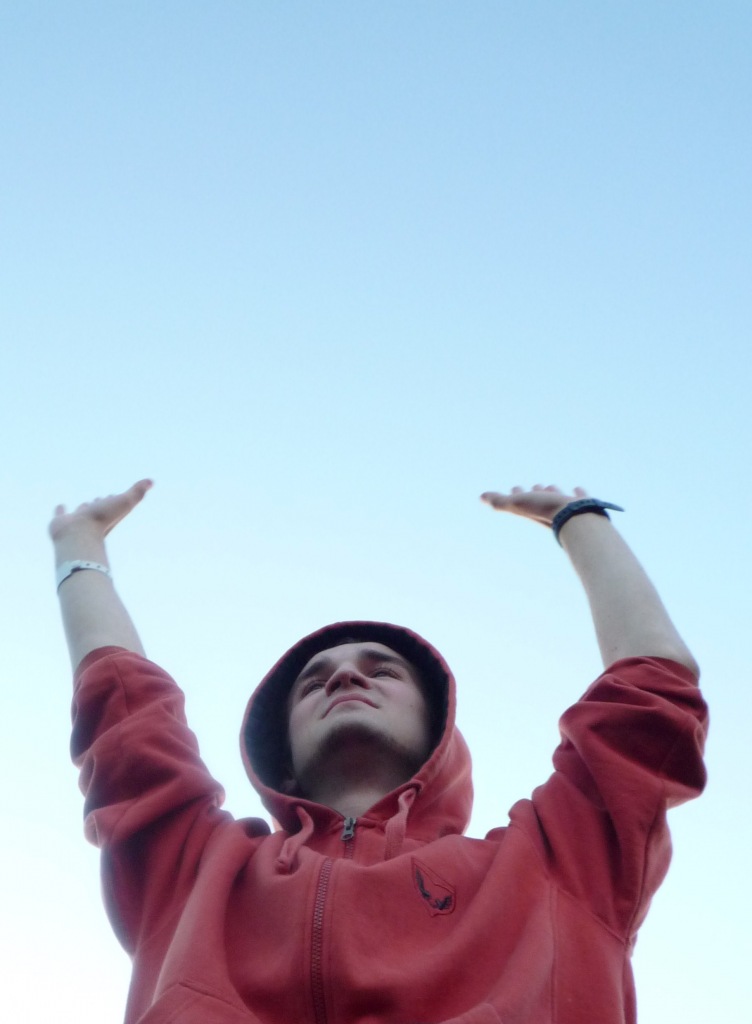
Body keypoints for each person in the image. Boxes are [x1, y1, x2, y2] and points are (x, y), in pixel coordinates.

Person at [50, 480, 707, 1024]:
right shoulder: (194, 871)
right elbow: (125, 715)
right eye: (313, 682)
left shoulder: (555, 862)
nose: (344, 676)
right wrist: (78, 545)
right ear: (282, 754)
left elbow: (651, 689)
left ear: (438, 730)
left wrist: (578, 518)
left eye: (382, 669)